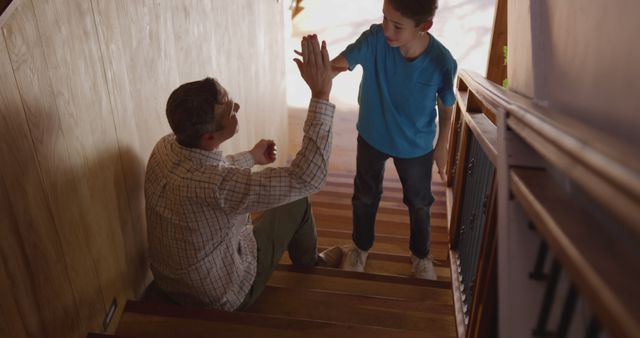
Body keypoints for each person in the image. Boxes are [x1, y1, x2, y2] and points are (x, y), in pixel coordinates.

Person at [144, 34, 340, 311]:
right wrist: (321, 94)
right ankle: (311, 262)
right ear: (210, 138)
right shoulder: (219, 187)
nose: (236, 107)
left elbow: (205, 174)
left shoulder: (165, 146)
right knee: (296, 199)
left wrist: (250, 157)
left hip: (167, 281)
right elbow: (308, 178)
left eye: (228, 98)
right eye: (229, 109)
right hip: (221, 295)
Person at [331, 0, 457, 279]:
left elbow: (447, 108)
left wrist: (442, 145)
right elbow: (340, 63)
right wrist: (321, 70)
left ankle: (421, 255)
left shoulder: (441, 62)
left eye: (397, 25)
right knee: (364, 196)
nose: (386, 28)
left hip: (416, 146)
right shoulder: (375, 39)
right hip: (372, 136)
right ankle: (360, 247)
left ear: (424, 27)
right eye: (385, 17)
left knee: (419, 203)